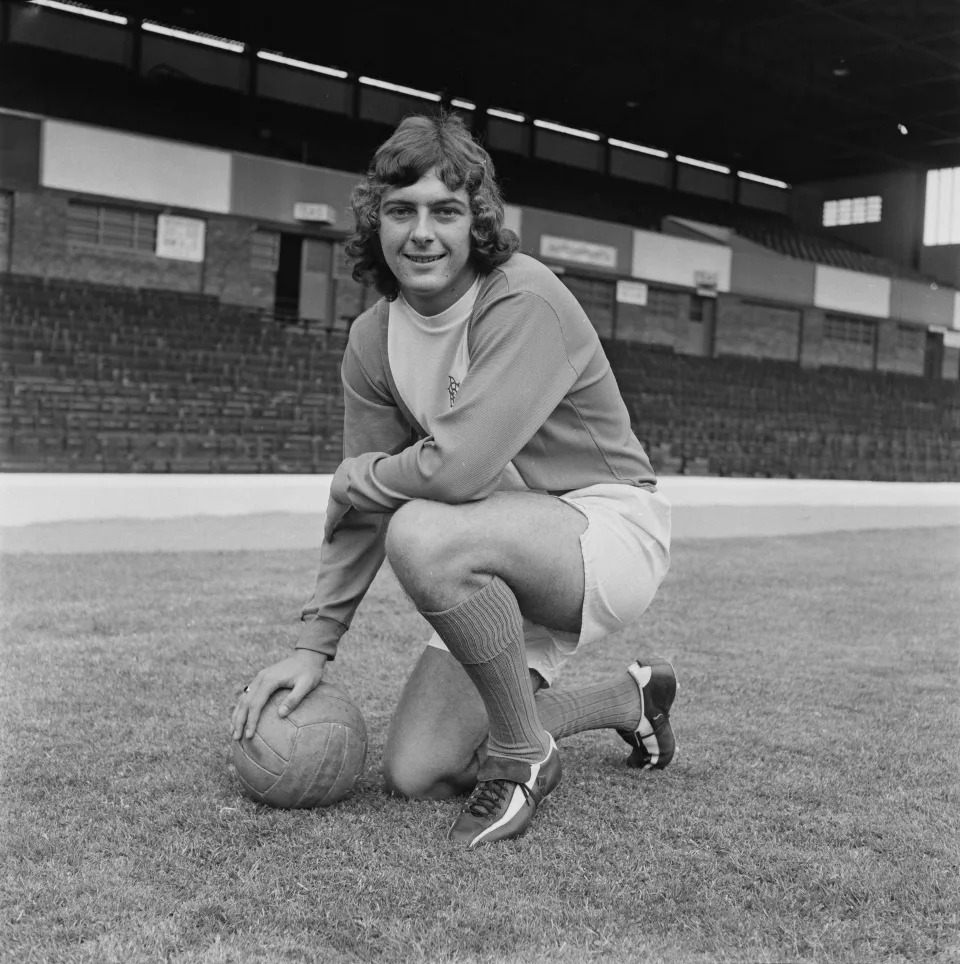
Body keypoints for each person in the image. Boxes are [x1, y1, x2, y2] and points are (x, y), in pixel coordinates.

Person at [232, 112, 677, 849]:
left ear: (479, 222)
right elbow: (365, 505)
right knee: (420, 771)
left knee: (421, 528)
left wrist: (356, 476)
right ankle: (633, 697)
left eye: (446, 211)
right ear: (376, 221)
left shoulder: (523, 297)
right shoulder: (372, 340)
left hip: (604, 531)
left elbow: (453, 470)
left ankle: (524, 755)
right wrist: (314, 645)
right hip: (494, 537)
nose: (422, 233)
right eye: (401, 211)